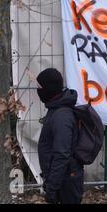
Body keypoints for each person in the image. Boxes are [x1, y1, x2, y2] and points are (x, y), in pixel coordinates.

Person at [37, 68, 84, 204]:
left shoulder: (61, 116)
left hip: (66, 181)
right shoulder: (55, 110)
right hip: (61, 179)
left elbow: (62, 154)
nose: (37, 90)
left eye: (39, 87)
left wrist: (52, 187)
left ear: (49, 88)